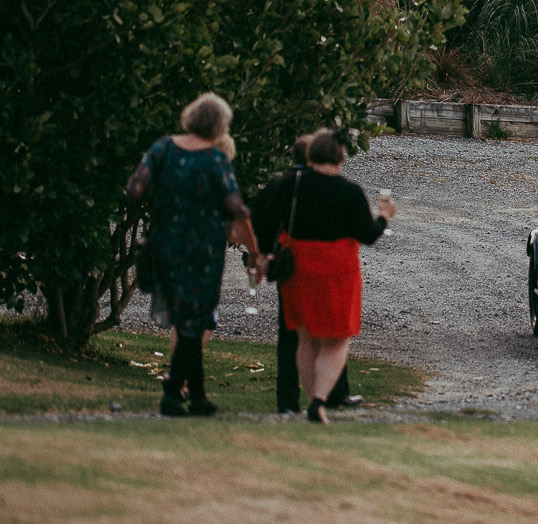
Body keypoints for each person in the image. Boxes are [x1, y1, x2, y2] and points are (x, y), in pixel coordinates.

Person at [124, 93, 265, 417]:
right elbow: (237, 210)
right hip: (202, 251)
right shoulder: (216, 161)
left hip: (165, 244)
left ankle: (198, 396)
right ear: (220, 127)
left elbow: (134, 189)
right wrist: (253, 251)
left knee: (187, 319)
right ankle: (173, 394)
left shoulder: (162, 148)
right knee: (194, 320)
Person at [282, 128, 395, 423]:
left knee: (306, 337)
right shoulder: (349, 192)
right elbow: (367, 235)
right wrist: (383, 217)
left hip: (300, 265)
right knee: (337, 339)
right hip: (337, 269)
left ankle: (310, 399)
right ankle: (319, 400)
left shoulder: (292, 186)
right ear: (340, 156)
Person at [250, 135, 357, 414]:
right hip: (330, 265)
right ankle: (329, 394)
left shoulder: (286, 184)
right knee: (333, 332)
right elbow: (364, 230)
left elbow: (261, 217)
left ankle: (292, 400)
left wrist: (263, 254)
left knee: (297, 334)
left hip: (293, 262)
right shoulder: (341, 189)